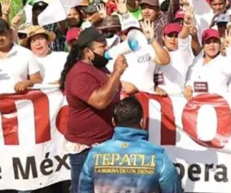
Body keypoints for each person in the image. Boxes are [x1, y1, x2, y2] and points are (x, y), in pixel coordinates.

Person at [60, 27, 127, 193]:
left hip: (104, 143)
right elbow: (100, 101)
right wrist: (117, 72)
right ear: (88, 52)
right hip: (86, 148)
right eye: (102, 47)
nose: (106, 50)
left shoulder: (100, 68)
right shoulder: (80, 74)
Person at [79, 96, 182, 193]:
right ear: (142, 122)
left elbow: (83, 190)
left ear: (113, 122)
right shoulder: (158, 156)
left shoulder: (95, 154)